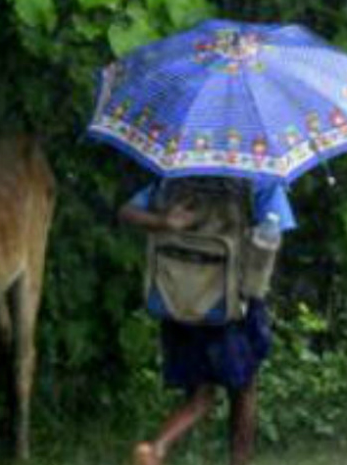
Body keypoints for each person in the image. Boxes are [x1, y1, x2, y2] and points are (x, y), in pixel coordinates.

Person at [119, 177, 296, 465]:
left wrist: (165, 222)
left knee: (200, 393)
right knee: (244, 388)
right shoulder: (259, 177)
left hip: (179, 298)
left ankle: (156, 448)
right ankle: (237, 460)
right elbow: (273, 232)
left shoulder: (176, 174)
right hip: (229, 304)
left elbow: (127, 212)